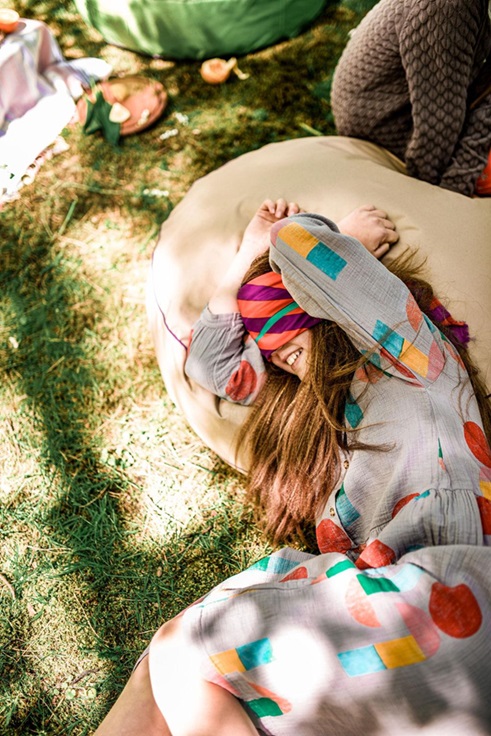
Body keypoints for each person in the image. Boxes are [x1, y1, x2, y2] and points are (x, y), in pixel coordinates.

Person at [94, 200, 491, 735]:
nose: (277, 355)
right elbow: (210, 363)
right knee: (165, 671)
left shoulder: (411, 354)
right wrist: (243, 261)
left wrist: (336, 242)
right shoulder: (317, 412)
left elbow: (297, 241)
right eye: (269, 348)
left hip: (447, 594)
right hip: (377, 617)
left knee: (180, 650)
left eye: (290, 335)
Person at [330, 0, 491, 197]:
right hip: (392, 125)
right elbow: (438, 122)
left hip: (443, 103)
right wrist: (452, 192)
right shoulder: (447, 8)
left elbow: (485, 94)